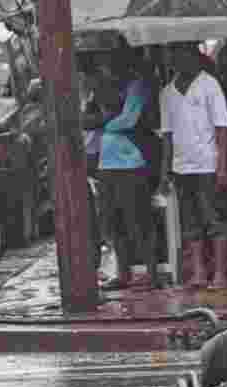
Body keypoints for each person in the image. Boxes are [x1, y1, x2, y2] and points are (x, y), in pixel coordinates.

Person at [85, 47, 161, 290]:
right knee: (112, 222)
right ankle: (123, 273)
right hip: (106, 163)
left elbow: (128, 120)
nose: (106, 69)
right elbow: (90, 122)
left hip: (132, 162)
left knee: (138, 220)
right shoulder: (101, 91)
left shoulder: (136, 85)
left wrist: (102, 122)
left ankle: (151, 274)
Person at [160, 43, 227, 290]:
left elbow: (222, 127)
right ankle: (200, 273)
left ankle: (220, 275)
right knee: (190, 224)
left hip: (207, 164)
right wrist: (165, 171)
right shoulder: (167, 92)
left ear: (193, 56)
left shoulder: (209, 85)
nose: (175, 61)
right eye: (172, 56)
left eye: (179, 55)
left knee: (214, 220)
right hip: (181, 167)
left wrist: (222, 166)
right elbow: (167, 135)